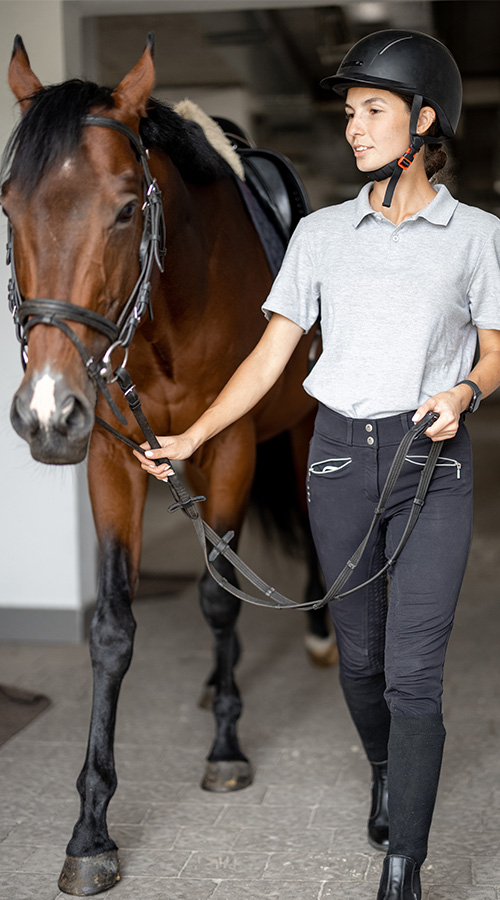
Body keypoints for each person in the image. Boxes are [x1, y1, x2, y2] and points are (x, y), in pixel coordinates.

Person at [134, 30, 500, 900]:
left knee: (415, 667)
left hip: (431, 464)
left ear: (423, 120)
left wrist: (466, 393)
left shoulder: (478, 235)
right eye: (349, 113)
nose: (355, 129)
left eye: (373, 111)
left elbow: (495, 349)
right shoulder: (321, 236)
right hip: (338, 460)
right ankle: (384, 769)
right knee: (362, 661)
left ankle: (404, 860)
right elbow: (268, 359)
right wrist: (190, 439)